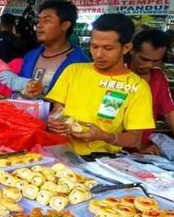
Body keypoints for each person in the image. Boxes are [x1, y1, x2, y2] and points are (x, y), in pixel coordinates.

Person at [46, 14, 155, 156]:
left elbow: (135, 138)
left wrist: (104, 136)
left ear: (126, 48)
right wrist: (55, 122)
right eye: (94, 46)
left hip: (102, 159)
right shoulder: (73, 71)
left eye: (108, 48)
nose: (98, 54)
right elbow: (57, 111)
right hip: (62, 152)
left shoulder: (137, 87)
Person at [129, 30, 174, 154]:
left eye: (156, 61)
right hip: (115, 147)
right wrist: (139, 146)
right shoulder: (117, 77)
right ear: (132, 51)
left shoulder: (158, 76)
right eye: (144, 59)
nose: (150, 65)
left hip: (142, 149)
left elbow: (169, 109)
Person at [20, 0, 90, 95]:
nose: (39, 25)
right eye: (39, 20)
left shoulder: (81, 63)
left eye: (47, 20)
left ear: (65, 25)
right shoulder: (30, 56)